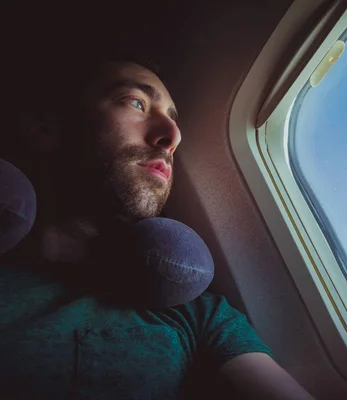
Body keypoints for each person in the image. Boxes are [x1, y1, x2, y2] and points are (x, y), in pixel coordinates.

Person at [0, 55, 314, 399]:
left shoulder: (198, 313)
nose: (173, 136)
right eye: (136, 102)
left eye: (173, 118)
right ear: (45, 128)